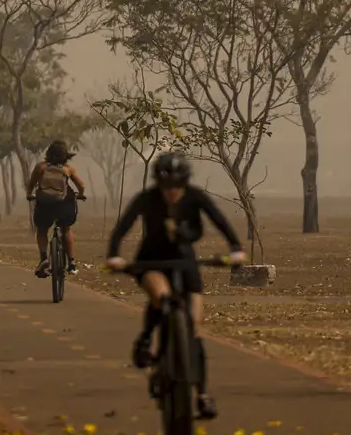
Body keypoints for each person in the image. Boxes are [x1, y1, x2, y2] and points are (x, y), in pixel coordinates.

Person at [105, 151, 246, 421]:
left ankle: (202, 395)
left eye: (177, 187)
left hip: (185, 263)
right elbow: (122, 226)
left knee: (194, 329)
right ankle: (146, 338)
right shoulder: (147, 199)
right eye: (166, 187)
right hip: (152, 262)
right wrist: (114, 255)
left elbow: (219, 221)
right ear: (158, 183)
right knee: (162, 297)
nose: (172, 192)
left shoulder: (196, 197)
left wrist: (236, 249)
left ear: (185, 183)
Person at [26, 140, 87, 277]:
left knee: (42, 229)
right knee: (65, 229)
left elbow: (31, 184)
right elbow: (81, 186)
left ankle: (44, 258)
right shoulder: (68, 169)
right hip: (64, 207)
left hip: (45, 207)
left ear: (49, 153)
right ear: (65, 155)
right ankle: (71, 263)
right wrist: (81, 195)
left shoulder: (40, 168)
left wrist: (29, 194)